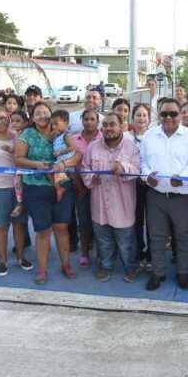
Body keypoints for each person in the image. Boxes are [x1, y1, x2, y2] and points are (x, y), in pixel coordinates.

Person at [140, 99, 188, 291]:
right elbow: (143, 161)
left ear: (180, 115)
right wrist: (146, 176)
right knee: (156, 236)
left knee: (183, 236)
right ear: (159, 115)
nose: (168, 117)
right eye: (164, 114)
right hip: (156, 195)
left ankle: (182, 272)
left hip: (181, 195)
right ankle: (158, 273)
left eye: (173, 114)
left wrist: (182, 178)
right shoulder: (149, 135)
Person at [15, 102, 80, 284]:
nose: (42, 116)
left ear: (52, 116)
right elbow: (18, 159)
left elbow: (77, 154)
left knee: (61, 227)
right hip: (36, 187)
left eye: (45, 112)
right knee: (42, 230)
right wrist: (39, 165)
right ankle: (42, 269)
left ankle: (66, 264)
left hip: (62, 185)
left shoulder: (62, 133)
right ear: (32, 117)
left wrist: (64, 164)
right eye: (38, 113)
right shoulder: (26, 134)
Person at [81, 113, 141, 283]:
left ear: (121, 126)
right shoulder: (93, 147)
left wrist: (124, 168)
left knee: (125, 241)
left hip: (122, 205)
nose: (108, 128)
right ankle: (106, 265)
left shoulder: (131, 147)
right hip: (99, 203)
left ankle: (130, 267)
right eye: (105, 125)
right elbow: (85, 168)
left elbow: (137, 170)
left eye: (112, 124)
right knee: (104, 239)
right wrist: (91, 178)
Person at [0, 106, 32, 276]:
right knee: (1, 226)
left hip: (20, 189)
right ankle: (2, 261)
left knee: (20, 225)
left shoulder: (19, 136)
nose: (0, 122)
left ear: (9, 119)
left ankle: (20, 257)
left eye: (3, 118)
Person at [72, 109, 102, 267]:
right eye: (86, 119)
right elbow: (71, 163)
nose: (89, 122)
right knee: (83, 221)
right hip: (80, 187)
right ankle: (84, 252)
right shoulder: (73, 139)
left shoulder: (104, 137)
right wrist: (79, 184)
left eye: (92, 119)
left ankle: (100, 253)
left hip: (101, 187)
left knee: (100, 222)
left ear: (97, 121)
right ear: (81, 120)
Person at [127, 103, 151, 268]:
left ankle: (151, 254)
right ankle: (137, 251)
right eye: (138, 115)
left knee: (152, 220)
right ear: (132, 118)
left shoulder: (155, 136)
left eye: (144, 115)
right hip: (131, 184)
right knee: (135, 219)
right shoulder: (125, 137)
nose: (141, 118)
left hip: (150, 183)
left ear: (149, 119)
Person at [49, 109, 76, 202]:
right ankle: (59, 189)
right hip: (60, 162)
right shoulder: (57, 136)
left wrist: (61, 152)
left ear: (65, 122)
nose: (54, 126)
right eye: (52, 124)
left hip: (67, 161)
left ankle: (79, 190)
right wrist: (52, 136)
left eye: (56, 124)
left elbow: (72, 147)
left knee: (74, 179)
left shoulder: (66, 135)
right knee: (50, 173)